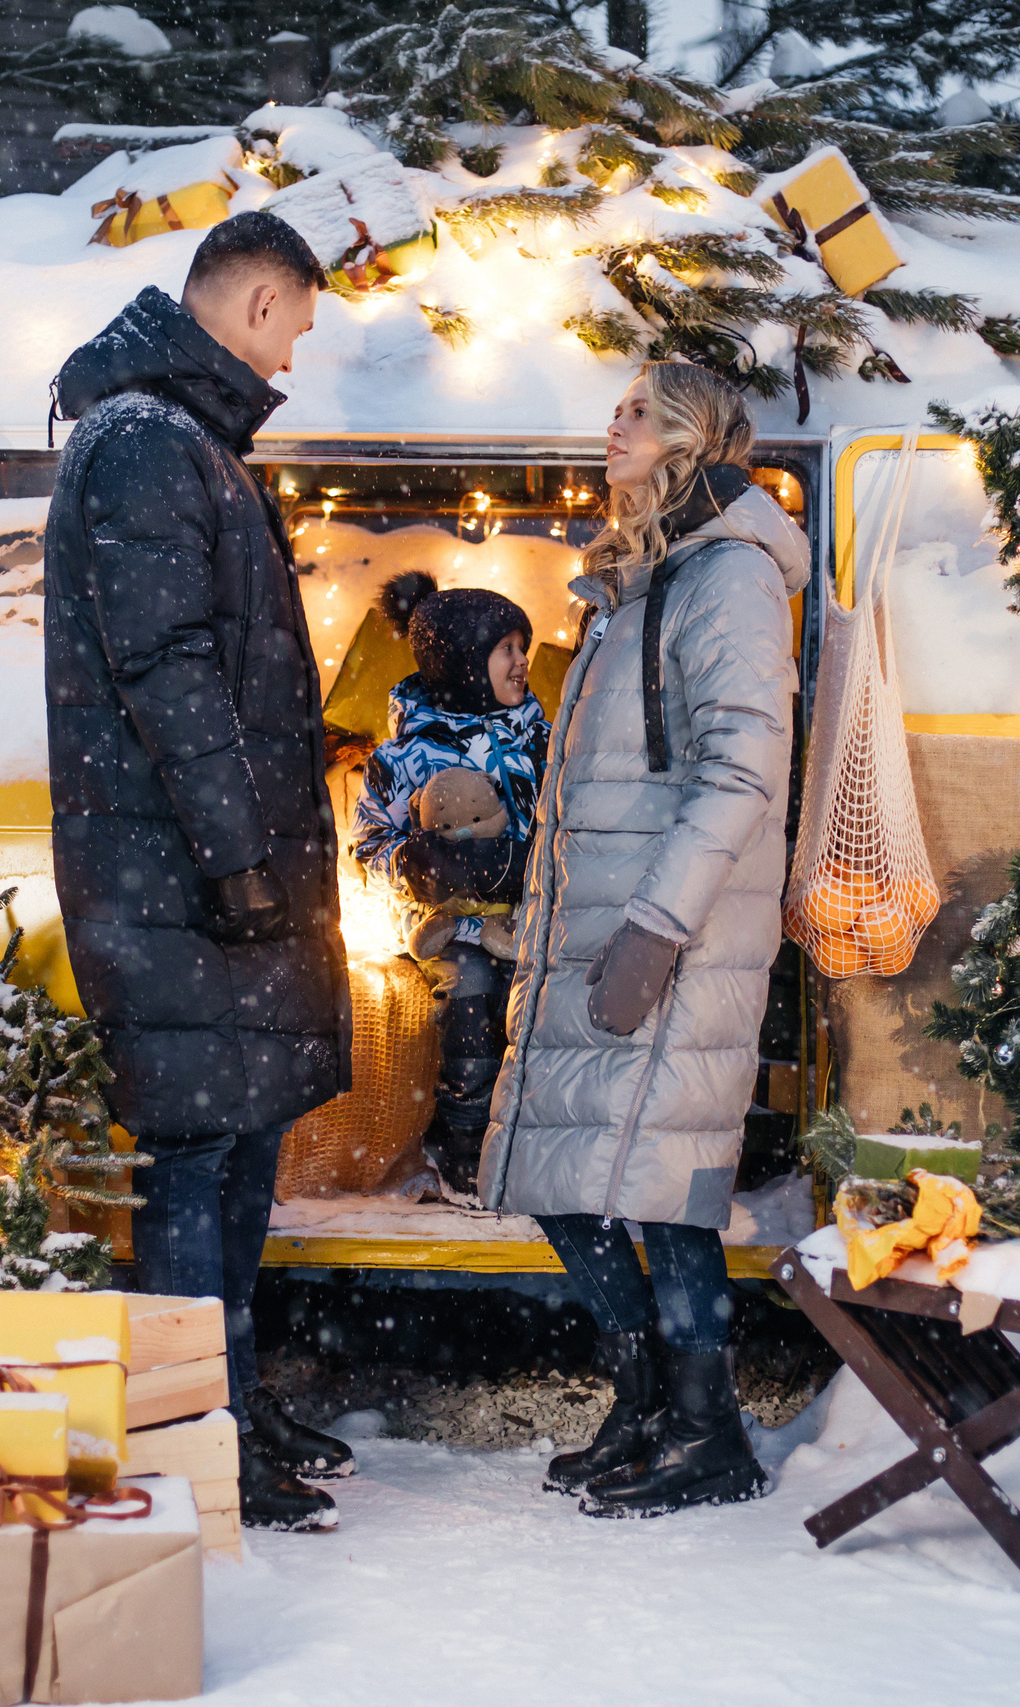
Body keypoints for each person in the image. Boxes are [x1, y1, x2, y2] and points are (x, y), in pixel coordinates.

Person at [42, 212, 356, 1533]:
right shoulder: (146, 445)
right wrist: (236, 855)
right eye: (296, 326)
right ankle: (191, 1428)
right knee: (197, 1153)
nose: (295, 357)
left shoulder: (183, 442)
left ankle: (224, 1394)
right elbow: (163, 668)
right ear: (259, 302)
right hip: (177, 874)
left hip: (209, 871)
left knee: (238, 1141)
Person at [480, 361, 810, 1518]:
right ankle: (649, 1401)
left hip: (676, 928)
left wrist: (658, 927)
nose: (609, 428)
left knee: (664, 1192)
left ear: (688, 439)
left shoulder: (725, 576)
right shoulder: (639, 583)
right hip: (604, 920)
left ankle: (708, 1429)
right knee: (564, 1176)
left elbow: (740, 767)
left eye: (635, 412)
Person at [349, 573, 550, 1202]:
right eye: (506, 649)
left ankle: (529, 1148)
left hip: (527, 918)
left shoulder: (540, 739)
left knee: (536, 1017)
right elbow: (366, 845)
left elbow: (566, 819)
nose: (522, 662)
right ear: (463, 660)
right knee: (472, 1000)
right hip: (452, 927)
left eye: (524, 647)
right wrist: (411, 862)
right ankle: (463, 1144)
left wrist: (527, 863)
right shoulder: (403, 756)